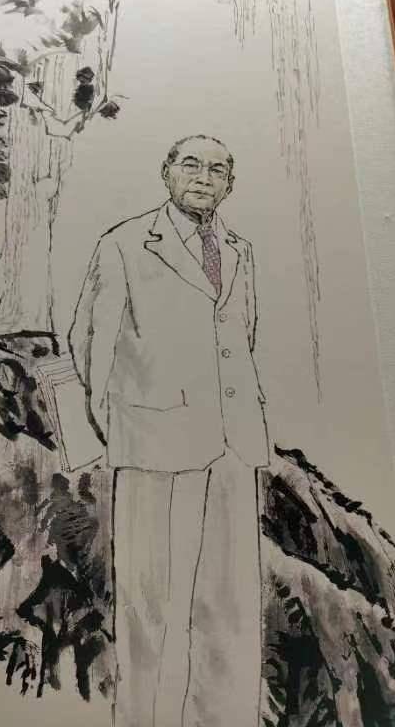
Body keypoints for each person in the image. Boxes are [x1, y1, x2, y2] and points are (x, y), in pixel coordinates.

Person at [69, 134, 268, 727]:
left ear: (230, 184)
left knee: (228, 601)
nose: (204, 177)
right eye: (191, 165)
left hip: (233, 443)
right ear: (167, 172)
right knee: (149, 600)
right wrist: (118, 426)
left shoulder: (239, 248)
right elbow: (89, 341)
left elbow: (241, 337)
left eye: (218, 170)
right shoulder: (125, 243)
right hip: (153, 442)